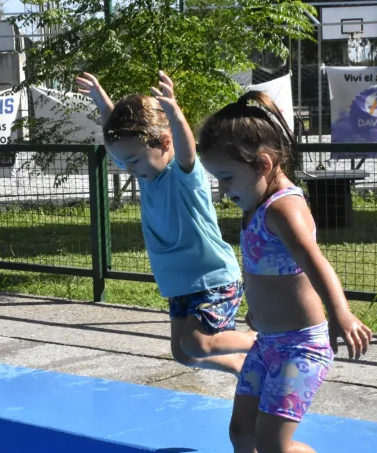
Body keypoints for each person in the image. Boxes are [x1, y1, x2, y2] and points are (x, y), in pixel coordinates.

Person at [195, 91, 373, 453]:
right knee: (240, 432)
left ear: (265, 162)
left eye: (227, 178)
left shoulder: (282, 207)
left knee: (273, 444)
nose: (222, 189)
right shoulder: (257, 200)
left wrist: (341, 314)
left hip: (301, 346)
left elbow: (315, 263)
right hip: (268, 343)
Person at [76, 71, 255, 374]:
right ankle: (239, 364)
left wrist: (175, 112)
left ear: (164, 142)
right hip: (179, 285)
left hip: (211, 279)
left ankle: (261, 341)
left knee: (197, 344)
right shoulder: (148, 173)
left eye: (132, 161)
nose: (128, 169)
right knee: (183, 354)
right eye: (121, 163)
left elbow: (187, 148)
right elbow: (120, 133)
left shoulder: (182, 175)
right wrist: (101, 99)